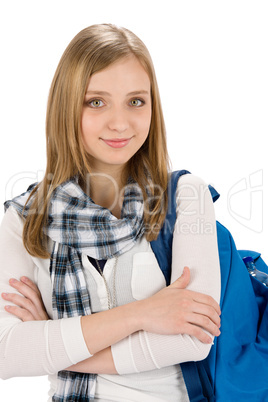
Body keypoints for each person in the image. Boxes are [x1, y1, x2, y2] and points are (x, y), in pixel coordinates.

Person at [0, 24, 221, 401]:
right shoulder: (26, 219)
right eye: (96, 101)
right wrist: (142, 314)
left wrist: (54, 342)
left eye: (136, 101)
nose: (120, 122)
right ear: (67, 107)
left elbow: (192, 338)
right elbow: (6, 353)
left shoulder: (186, 196)